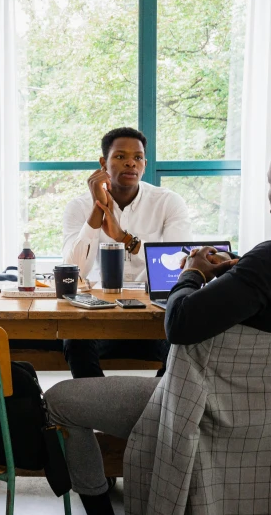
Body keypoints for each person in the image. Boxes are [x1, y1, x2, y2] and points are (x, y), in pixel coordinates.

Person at [45, 134, 271, 514]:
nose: (267, 197)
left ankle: (101, 509)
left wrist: (193, 273)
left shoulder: (266, 264)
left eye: (269, 185)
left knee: (58, 402)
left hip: (207, 406)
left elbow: (181, 323)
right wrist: (240, 273)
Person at [60, 127, 191, 378]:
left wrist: (124, 238)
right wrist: (97, 210)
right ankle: (98, 410)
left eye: (138, 157)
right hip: (99, 317)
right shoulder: (78, 207)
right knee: (75, 341)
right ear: (103, 163)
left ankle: (156, 407)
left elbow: (180, 264)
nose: (131, 162)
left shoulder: (168, 202)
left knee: (185, 344)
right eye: (120, 156)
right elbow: (73, 271)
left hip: (154, 319)